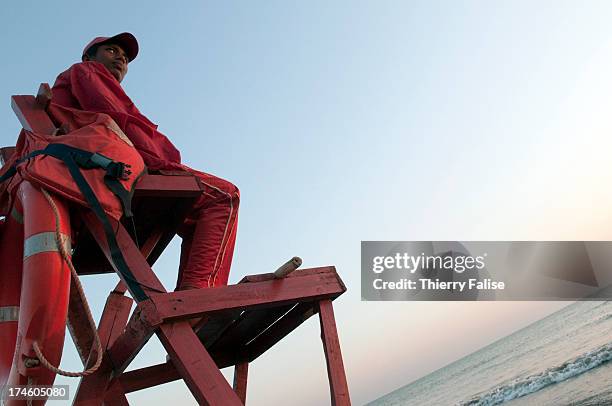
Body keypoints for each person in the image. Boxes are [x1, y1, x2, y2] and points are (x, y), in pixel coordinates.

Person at [51, 33, 239, 290]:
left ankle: (195, 296)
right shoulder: (86, 71)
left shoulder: (85, 81)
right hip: (113, 169)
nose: (121, 59)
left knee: (200, 209)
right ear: (89, 56)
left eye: (125, 58)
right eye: (112, 50)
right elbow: (120, 121)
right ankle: (199, 295)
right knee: (224, 196)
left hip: (99, 170)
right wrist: (165, 158)